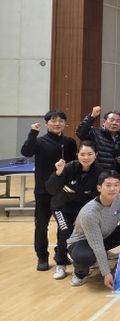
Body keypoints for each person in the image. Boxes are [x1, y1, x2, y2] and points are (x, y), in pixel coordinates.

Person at [21, 110, 77, 271]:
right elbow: (26, 152)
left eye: (61, 121)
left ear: (65, 123)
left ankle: (61, 254)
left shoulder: (70, 142)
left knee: (64, 226)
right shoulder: (39, 141)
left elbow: (73, 165)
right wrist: (33, 133)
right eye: (53, 120)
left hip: (63, 192)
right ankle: (42, 257)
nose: (57, 123)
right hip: (43, 191)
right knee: (41, 226)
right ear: (46, 123)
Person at [66, 171, 120, 288]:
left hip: (103, 236)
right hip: (82, 242)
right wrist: (106, 273)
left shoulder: (119, 198)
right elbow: (96, 244)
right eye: (108, 185)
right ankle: (80, 273)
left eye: (116, 185)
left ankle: (109, 257)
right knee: (84, 256)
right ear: (99, 188)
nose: (113, 189)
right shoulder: (90, 213)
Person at [46, 142, 101, 280]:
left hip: (81, 210)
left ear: (96, 155)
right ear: (77, 155)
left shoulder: (99, 171)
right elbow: (51, 189)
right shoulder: (68, 168)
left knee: (84, 233)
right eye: (82, 154)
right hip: (61, 207)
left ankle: (85, 260)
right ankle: (61, 263)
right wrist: (58, 173)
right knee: (65, 231)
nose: (86, 157)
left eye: (90, 154)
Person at [76, 106, 120, 172]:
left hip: (114, 174)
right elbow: (80, 133)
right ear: (104, 122)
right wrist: (92, 116)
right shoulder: (95, 132)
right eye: (111, 120)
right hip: (96, 173)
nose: (114, 123)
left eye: (118, 121)